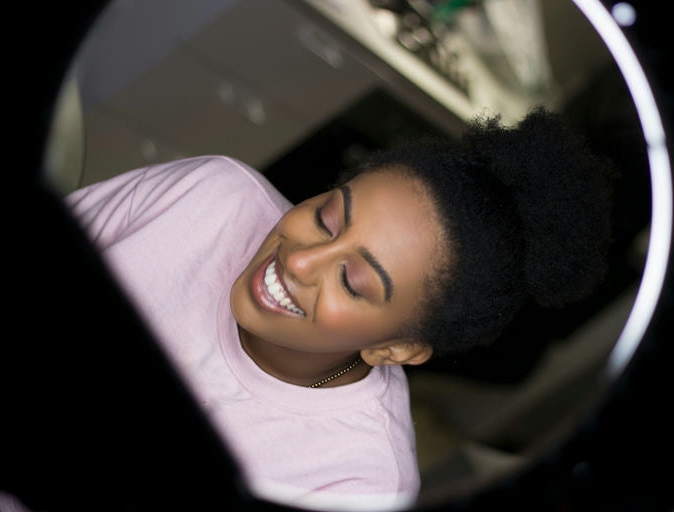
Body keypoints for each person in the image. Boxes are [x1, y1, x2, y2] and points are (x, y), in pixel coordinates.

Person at [62, 107, 613, 510]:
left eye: (352, 281)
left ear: (393, 347)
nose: (300, 262)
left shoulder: (358, 481)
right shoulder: (208, 196)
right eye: (327, 216)